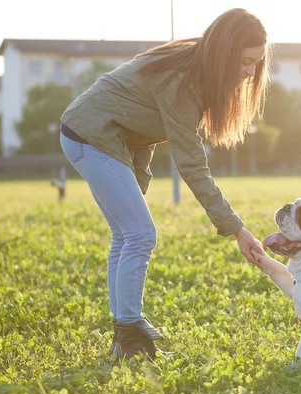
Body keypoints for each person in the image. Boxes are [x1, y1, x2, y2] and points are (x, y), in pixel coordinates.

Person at [59, 8, 268, 360]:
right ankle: (129, 336)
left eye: (256, 64)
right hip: (90, 136)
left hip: (95, 137)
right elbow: (191, 164)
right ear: (226, 52)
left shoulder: (194, 68)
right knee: (140, 234)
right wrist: (236, 228)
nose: (250, 73)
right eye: (246, 62)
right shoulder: (184, 79)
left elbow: (140, 126)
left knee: (127, 235)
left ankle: (122, 341)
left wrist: (135, 185)